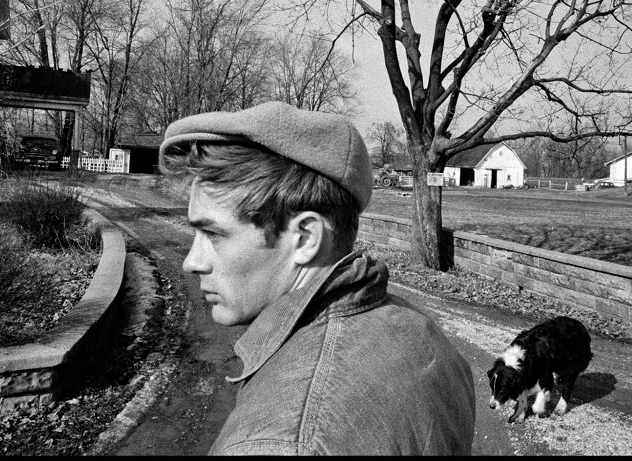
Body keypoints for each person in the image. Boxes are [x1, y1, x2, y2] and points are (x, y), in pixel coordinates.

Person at [159, 101, 476, 455]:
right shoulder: (424, 335)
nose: (191, 261)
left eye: (213, 234)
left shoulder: (285, 442)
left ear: (306, 239)